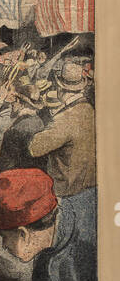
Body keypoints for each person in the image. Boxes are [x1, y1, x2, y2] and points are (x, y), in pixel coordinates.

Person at [26, 60, 95, 195]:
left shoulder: (64, 119)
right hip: (90, 186)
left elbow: (34, 148)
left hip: (68, 190)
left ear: (60, 88)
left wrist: (44, 118)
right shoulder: (89, 109)